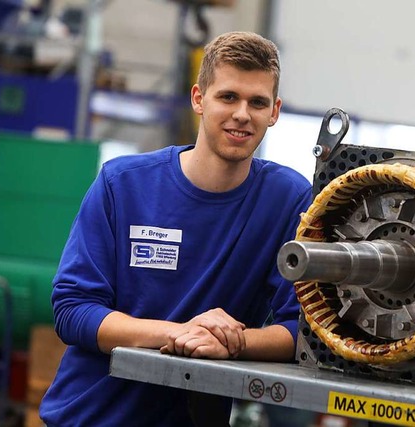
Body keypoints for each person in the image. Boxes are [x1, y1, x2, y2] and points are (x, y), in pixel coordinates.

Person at [39, 31, 312, 427]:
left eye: (258, 102)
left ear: (275, 111)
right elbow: (73, 310)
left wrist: (231, 343)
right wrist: (181, 332)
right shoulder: (123, 184)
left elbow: (301, 331)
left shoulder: (288, 200)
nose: (242, 114)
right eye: (228, 97)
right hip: (90, 416)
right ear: (199, 99)